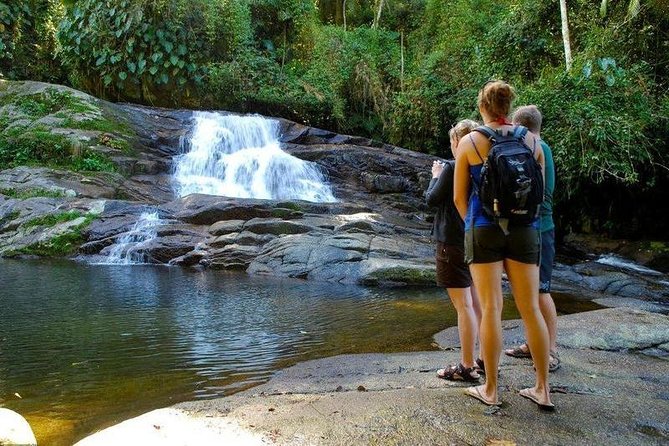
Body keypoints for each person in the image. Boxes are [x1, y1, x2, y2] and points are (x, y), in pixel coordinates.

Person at [453, 80, 554, 409]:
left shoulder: (470, 142)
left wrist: (475, 223)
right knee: (531, 309)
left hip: (484, 228)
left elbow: (458, 197)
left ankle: (492, 389)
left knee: (492, 309)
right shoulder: (532, 140)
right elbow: (537, 191)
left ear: (483, 106)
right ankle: (542, 389)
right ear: (508, 107)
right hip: (526, 229)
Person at [426, 119, 482, 382]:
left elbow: (432, 199)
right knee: (477, 303)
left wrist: (435, 176)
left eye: (452, 141)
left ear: (457, 142)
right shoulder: (482, 165)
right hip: (475, 238)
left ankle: (466, 365)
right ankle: (483, 358)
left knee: (464, 306)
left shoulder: (451, 166)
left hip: (451, 241)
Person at [505, 105, 560, 372]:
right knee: (528, 292)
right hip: (533, 227)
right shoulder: (537, 146)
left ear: (521, 126)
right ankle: (533, 344)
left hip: (540, 227)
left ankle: (550, 351)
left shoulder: (538, 147)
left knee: (541, 291)